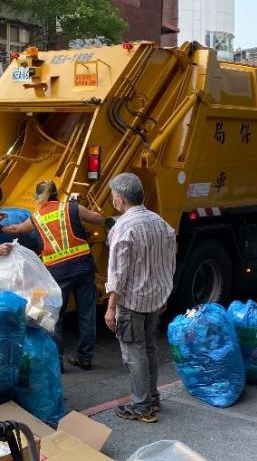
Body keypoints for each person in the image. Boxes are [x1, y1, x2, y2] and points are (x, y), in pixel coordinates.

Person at [3, 180, 104, 371]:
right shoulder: (72, 208)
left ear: (39, 197)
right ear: (57, 194)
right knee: (87, 314)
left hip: (58, 273)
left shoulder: (37, 217)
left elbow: (16, 230)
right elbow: (98, 218)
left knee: (56, 316)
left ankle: (57, 362)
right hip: (83, 267)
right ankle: (85, 357)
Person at [103, 173, 176, 423]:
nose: (114, 200)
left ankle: (142, 406)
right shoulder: (160, 223)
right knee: (149, 348)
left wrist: (111, 307)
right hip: (154, 298)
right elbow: (169, 260)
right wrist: (164, 290)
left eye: (114, 196)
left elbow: (118, 274)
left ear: (120, 200)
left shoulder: (122, 228)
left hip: (131, 302)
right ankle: (152, 396)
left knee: (134, 353)